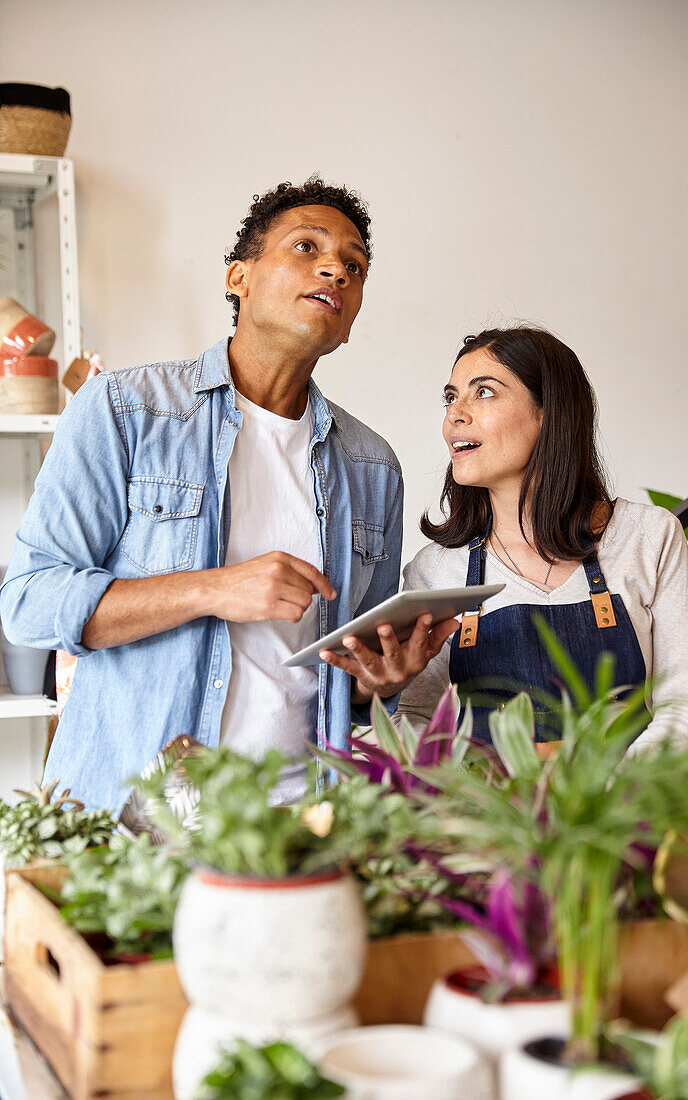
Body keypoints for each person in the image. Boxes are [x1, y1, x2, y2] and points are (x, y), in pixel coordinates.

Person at [0, 177, 454, 810]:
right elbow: (29, 602)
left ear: (349, 322)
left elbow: (352, 681)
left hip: (301, 819)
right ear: (238, 278)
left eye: (355, 266)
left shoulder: (372, 465)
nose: (337, 270)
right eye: (306, 247)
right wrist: (215, 587)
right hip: (140, 824)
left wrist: (377, 683)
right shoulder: (126, 411)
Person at [323, 326, 688, 749]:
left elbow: (686, 705)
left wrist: (603, 797)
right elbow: (414, 715)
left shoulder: (649, 537)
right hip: (490, 810)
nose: (455, 414)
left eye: (484, 392)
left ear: (550, 412)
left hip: (626, 808)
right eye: (451, 397)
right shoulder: (437, 569)